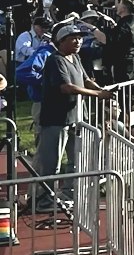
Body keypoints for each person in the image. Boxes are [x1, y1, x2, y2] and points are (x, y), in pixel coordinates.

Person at [35, 24, 111, 210]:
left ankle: (68, 194)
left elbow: (85, 79)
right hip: (56, 120)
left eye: (80, 38)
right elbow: (66, 87)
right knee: (51, 163)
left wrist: (101, 89)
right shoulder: (55, 61)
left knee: (75, 160)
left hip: (75, 119)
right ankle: (44, 200)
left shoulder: (75, 57)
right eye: (73, 38)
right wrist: (97, 95)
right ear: (61, 41)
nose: (78, 41)